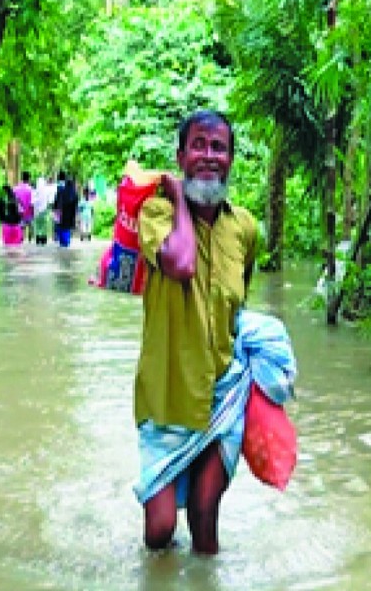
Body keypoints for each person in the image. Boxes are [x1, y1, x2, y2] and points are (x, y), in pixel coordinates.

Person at [133, 110, 259, 555]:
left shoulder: (244, 227)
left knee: (206, 523)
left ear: (231, 159)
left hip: (222, 392)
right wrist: (179, 199)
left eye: (219, 147)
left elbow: (239, 305)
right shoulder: (156, 212)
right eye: (199, 146)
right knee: (160, 532)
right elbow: (180, 263)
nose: (209, 155)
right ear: (181, 155)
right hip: (166, 394)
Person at [53, 173, 79, 247]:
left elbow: (57, 202)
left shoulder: (62, 191)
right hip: (70, 214)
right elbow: (76, 205)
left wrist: (56, 210)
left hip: (62, 213)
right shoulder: (74, 193)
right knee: (67, 228)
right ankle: (66, 242)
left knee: (62, 227)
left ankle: (62, 242)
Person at [12, 171, 35, 243]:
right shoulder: (31, 189)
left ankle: (21, 239)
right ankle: (30, 241)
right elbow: (32, 203)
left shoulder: (15, 189)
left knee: (21, 227)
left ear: (21, 178)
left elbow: (14, 201)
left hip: (19, 213)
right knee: (30, 226)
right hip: (29, 213)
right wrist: (33, 212)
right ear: (29, 179)